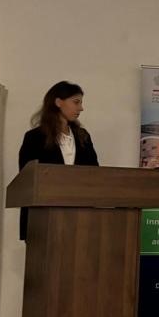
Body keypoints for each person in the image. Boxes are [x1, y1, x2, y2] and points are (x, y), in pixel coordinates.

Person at [18, 81, 99, 240]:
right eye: (76, 102)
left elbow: (94, 173)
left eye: (81, 103)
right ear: (58, 102)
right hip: (43, 219)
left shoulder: (83, 136)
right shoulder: (34, 137)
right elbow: (27, 177)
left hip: (79, 217)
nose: (81, 108)